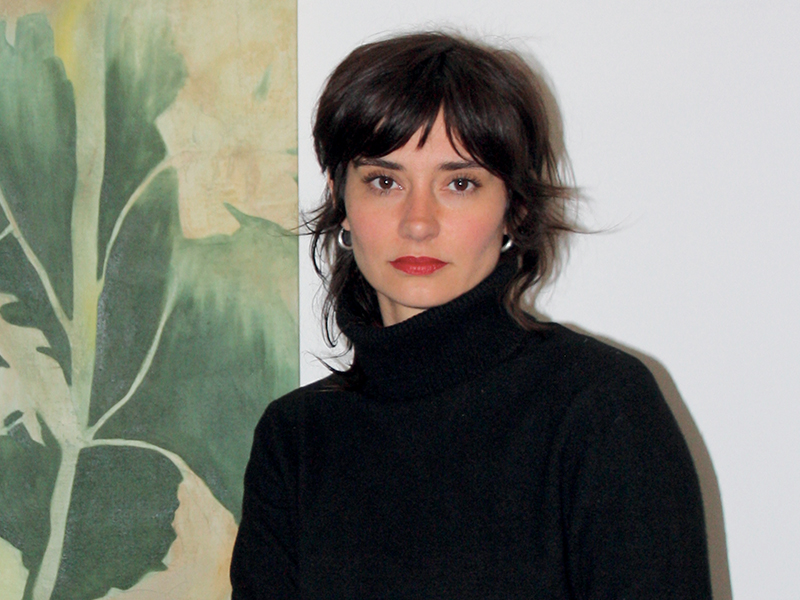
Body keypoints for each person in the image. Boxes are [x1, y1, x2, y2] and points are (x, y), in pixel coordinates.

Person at [230, 31, 712, 599]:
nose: (418, 222)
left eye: (459, 183)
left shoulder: (600, 406)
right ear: (341, 199)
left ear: (515, 208)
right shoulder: (296, 438)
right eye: (385, 182)